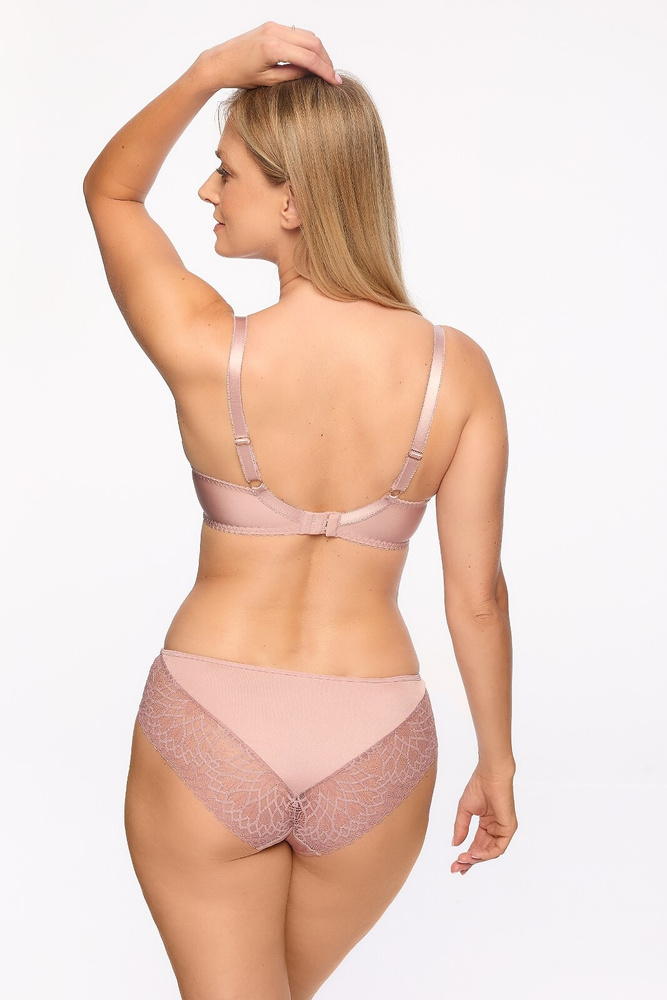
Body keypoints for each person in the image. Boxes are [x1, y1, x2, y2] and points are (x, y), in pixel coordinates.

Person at [83, 20, 517, 1000]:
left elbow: (109, 192)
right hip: (377, 746)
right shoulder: (456, 371)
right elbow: (477, 596)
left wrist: (208, 73)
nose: (207, 191)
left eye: (226, 171)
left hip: (212, 723)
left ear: (292, 200)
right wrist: (496, 760)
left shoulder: (209, 347)